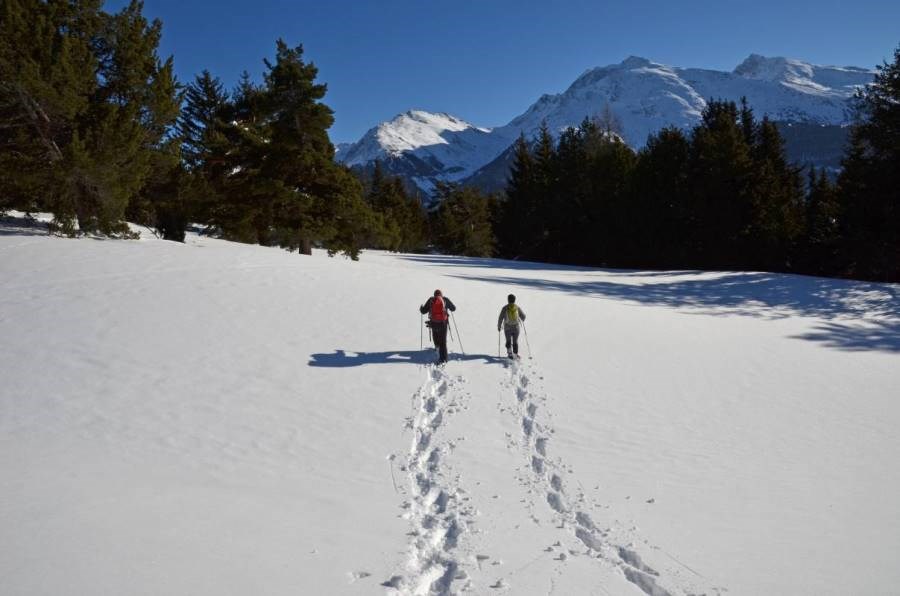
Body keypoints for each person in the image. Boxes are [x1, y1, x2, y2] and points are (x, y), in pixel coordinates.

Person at [420, 289, 456, 364]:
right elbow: (453, 308)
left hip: (434, 322)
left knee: (435, 334)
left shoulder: (431, 300)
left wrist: (421, 308)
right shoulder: (445, 299)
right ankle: (444, 359)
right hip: (443, 323)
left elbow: (423, 311)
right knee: (443, 341)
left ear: (434, 295)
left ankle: (437, 347)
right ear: (441, 294)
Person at [497, 294, 526, 359]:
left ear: (508, 300)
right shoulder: (517, 307)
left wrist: (499, 327)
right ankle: (515, 355)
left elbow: (500, 318)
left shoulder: (505, 308)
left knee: (508, 340)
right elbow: (523, 317)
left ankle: (510, 354)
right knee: (515, 341)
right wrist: (522, 319)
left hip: (507, 328)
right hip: (516, 328)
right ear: (514, 300)